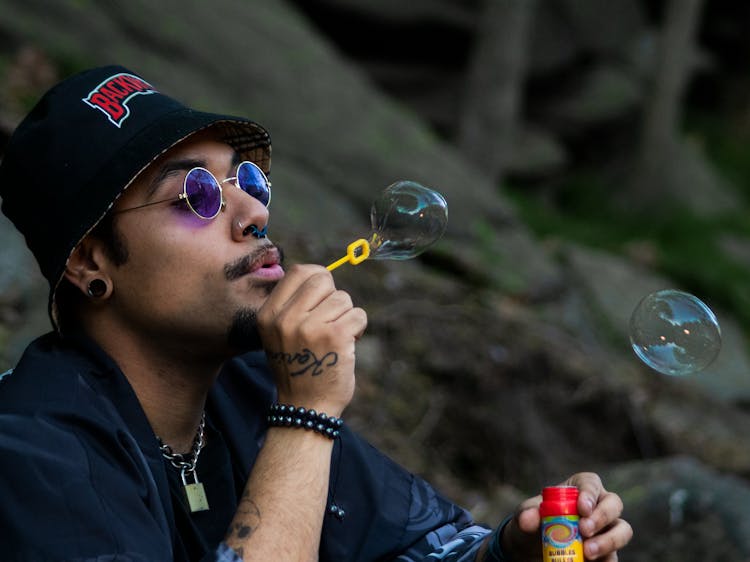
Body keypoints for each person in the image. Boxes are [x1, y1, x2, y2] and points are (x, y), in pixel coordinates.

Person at [0, 65, 632, 561]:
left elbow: (416, 551)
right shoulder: (33, 449)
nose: (251, 213)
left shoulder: (245, 393)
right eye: (193, 194)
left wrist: (508, 552)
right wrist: (307, 414)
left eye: (247, 180)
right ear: (89, 263)